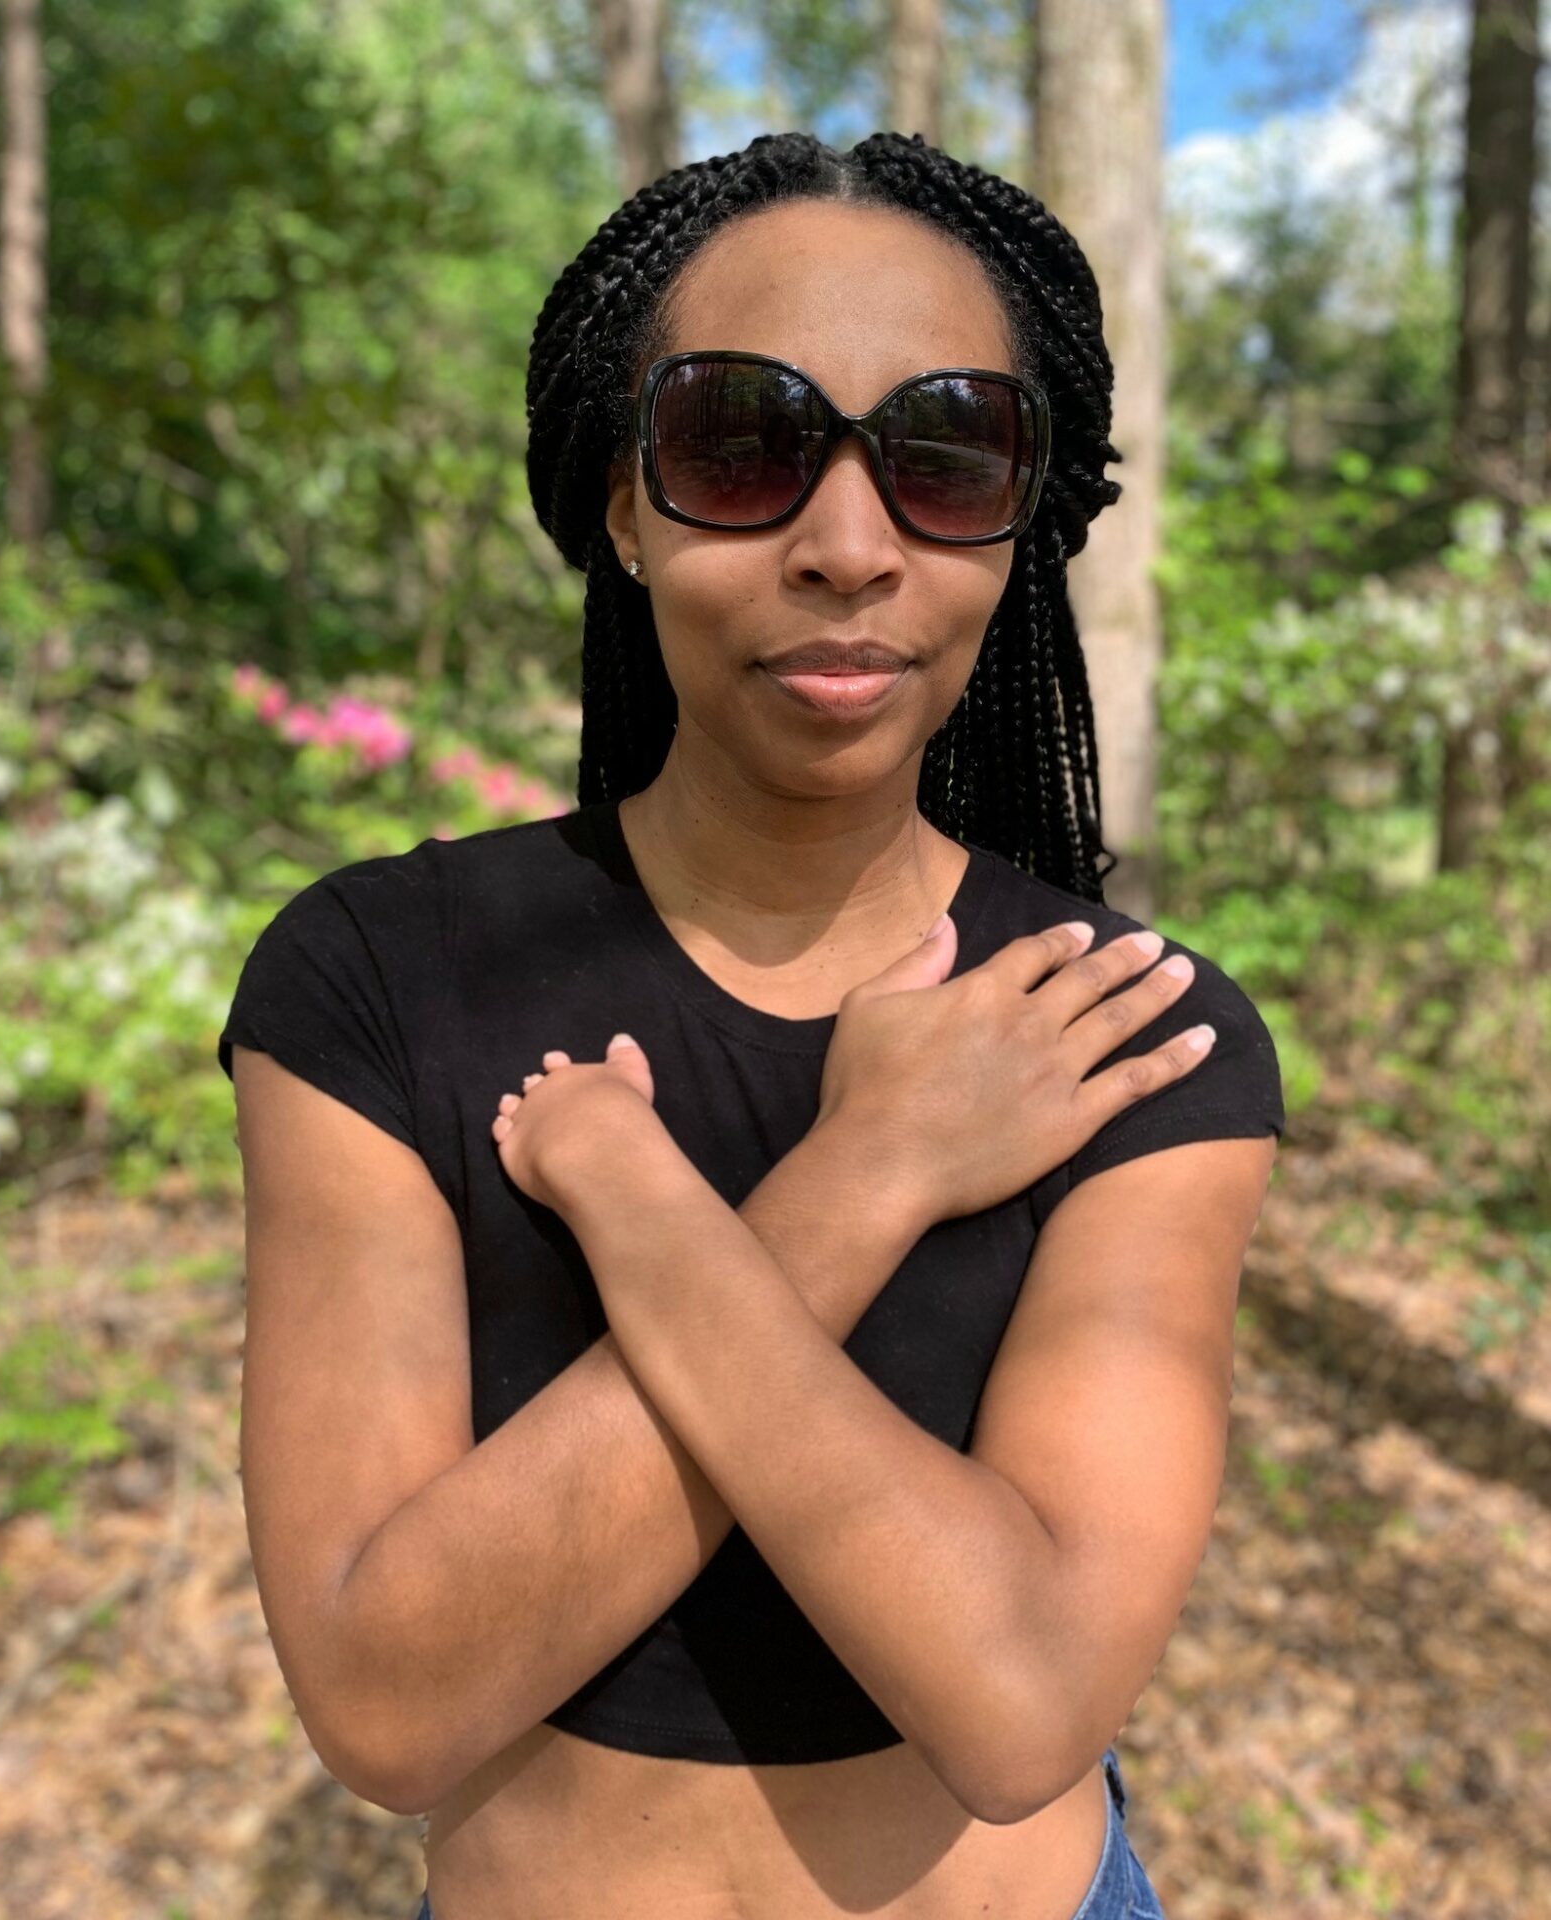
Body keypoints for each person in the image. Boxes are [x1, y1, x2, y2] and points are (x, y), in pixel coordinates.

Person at [219, 130, 1283, 1920]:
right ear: (625, 506)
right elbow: (390, 1705)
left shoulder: (1127, 1032)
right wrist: (875, 1169)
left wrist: (649, 1215)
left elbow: (1021, 1704)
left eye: (944, 455)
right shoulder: (378, 979)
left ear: (1020, 526)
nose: (848, 547)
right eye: (741, 444)